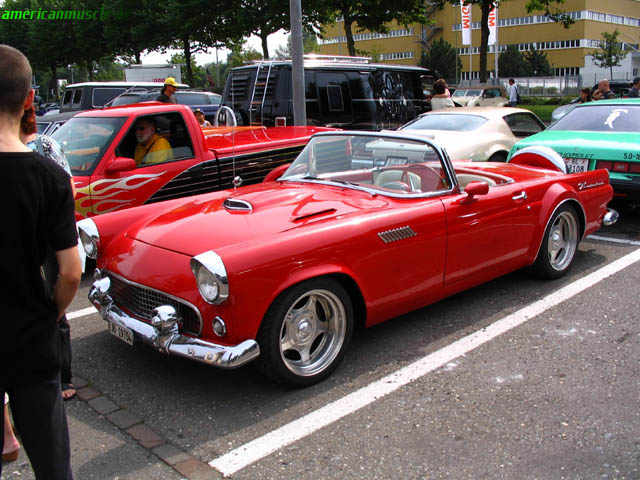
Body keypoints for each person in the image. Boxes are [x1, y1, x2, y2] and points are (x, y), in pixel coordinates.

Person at [0, 44, 82, 479]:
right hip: (30, 339)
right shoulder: (50, 177)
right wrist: (50, 313)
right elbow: (70, 271)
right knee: (52, 466)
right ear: (30, 98)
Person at [20, 104, 77, 401]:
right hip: (23, 242)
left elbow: (69, 189)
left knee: (57, 308)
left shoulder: (45, 146)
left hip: (50, 241)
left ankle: (63, 375)